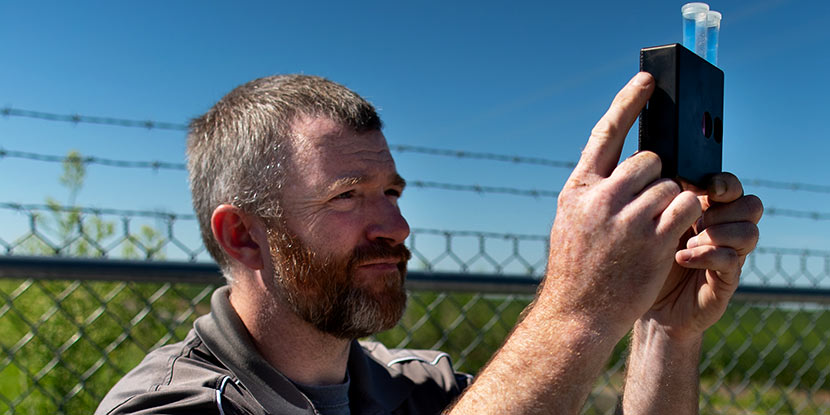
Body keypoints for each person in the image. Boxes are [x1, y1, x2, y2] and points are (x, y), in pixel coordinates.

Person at [97, 72, 762, 415]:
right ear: (244, 235)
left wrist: (663, 332)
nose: (395, 225)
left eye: (392, 192)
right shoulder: (175, 403)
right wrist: (578, 311)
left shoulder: (421, 389)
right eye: (348, 195)